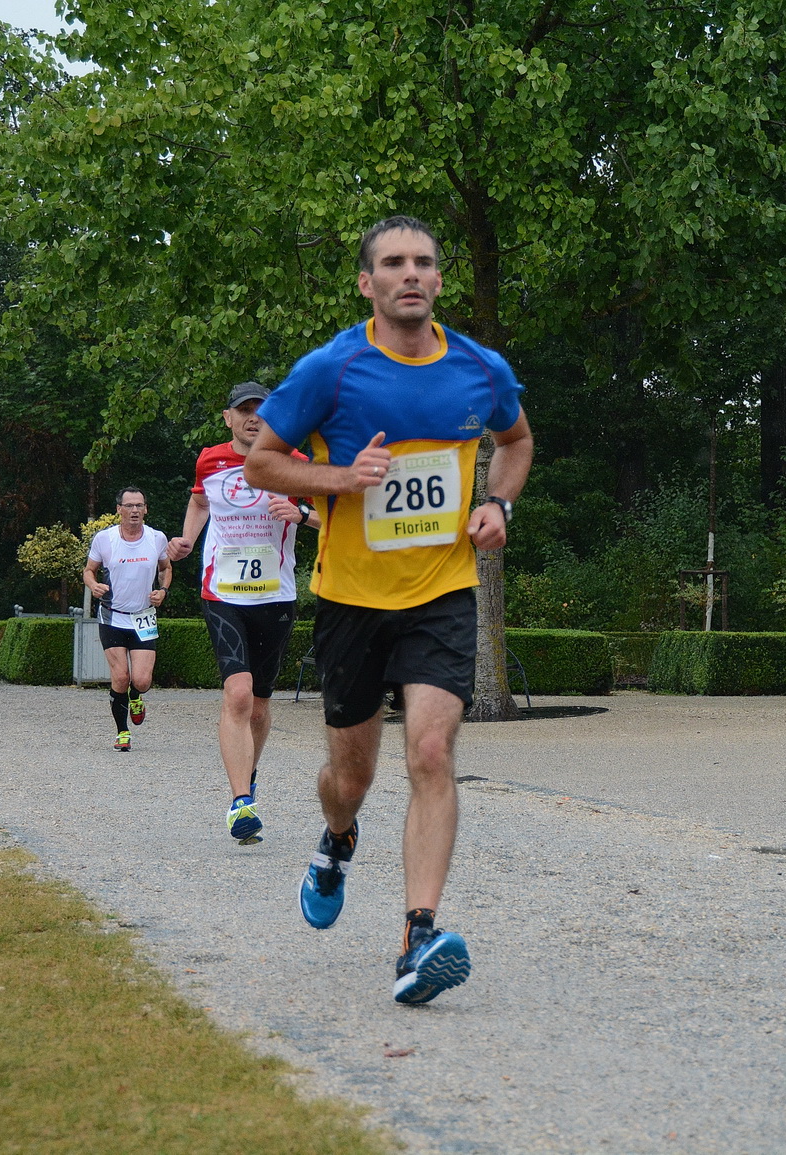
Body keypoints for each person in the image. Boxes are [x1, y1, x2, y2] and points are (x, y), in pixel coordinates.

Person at [244, 215, 532, 1007]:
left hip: (442, 592)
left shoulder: (480, 369)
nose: (411, 274)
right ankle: (337, 841)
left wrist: (500, 504)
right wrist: (341, 479)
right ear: (367, 283)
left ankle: (419, 933)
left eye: (425, 263)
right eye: (394, 264)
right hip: (350, 601)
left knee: (432, 752)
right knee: (352, 775)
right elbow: (261, 461)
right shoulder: (332, 370)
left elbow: (516, 441)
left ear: (440, 280)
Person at [168, 380, 320, 844]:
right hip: (222, 593)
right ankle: (240, 804)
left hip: (275, 596)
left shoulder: (295, 462)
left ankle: (248, 779)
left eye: (263, 409)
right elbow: (199, 500)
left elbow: (334, 517)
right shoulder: (210, 460)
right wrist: (188, 539)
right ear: (228, 418)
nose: (254, 417)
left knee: (259, 706)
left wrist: (300, 515)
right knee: (237, 694)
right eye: (244, 410)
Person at [83, 488, 172, 752]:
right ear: (119, 509)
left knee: (142, 681)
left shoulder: (156, 538)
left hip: (143, 617)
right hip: (112, 617)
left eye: (139, 506)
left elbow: (166, 568)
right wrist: (93, 585)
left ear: (146, 509)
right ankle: (122, 732)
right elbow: (89, 571)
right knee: (120, 677)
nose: (134, 510)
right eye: (129, 505)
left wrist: (163, 591)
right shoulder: (105, 539)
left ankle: (136, 696)